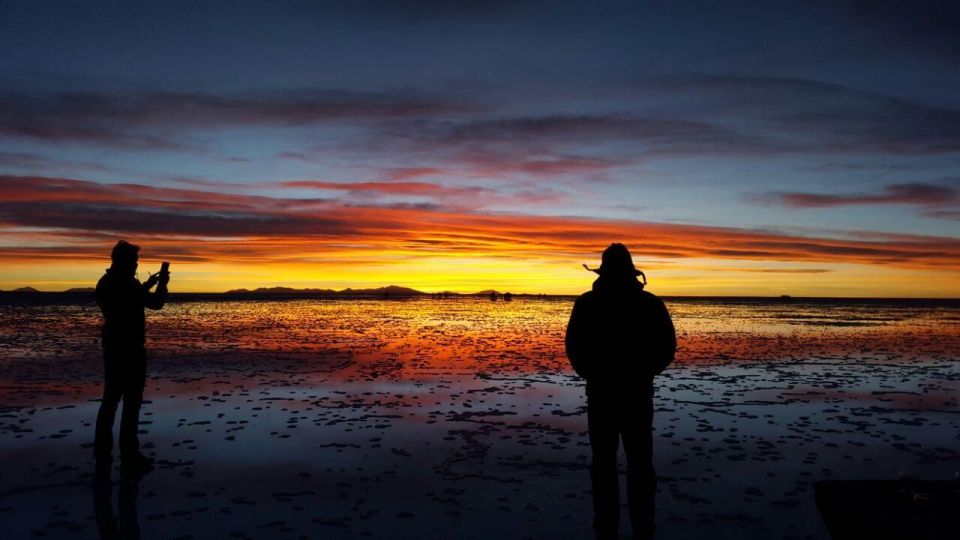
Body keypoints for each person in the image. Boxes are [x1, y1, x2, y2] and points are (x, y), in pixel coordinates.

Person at [565, 243, 676, 539]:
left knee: (606, 462)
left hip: (606, 393)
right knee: (637, 462)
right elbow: (667, 347)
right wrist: (646, 371)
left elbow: (573, 348)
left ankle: (609, 525)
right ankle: (638, 526)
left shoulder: (588, 303)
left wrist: (591, 373)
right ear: (630, 270)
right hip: (633, 393)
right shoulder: (650, 303)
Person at [93, 240, 169, 473]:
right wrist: (162, 285)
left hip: (113, 348)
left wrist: (145, 284)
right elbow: (155, 304)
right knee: (131, 403)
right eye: (134, 261)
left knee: (110, 402)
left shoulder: (106, 283)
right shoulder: (127, 285)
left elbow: (128, 300)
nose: (136, 265)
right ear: (124, 261)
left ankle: (103, 454)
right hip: (131, 350)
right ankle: (129, 456)